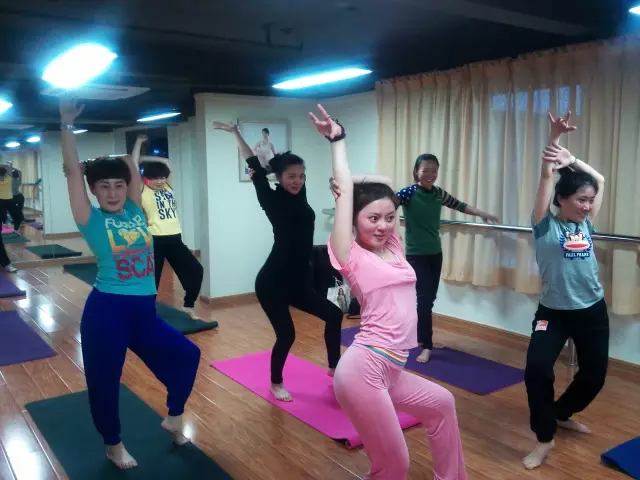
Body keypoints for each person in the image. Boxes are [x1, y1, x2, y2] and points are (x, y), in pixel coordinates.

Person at [314, 104, 467, 480]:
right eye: (372, 218)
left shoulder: (394, 247)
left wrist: (357, 184)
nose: (382, 225)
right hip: (363, 370)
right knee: (395, 465)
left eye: (389, 218)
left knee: (443, 404)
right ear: (354, 221)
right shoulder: (349, 254)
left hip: (393, 369)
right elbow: (347, 197)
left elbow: (383, 182)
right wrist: (338, 145)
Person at [59, 98, 200, 470]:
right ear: (94, 190)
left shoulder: (136, 208)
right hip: (107, 311)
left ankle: (174, 417)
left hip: (143, 312)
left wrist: (116, 158)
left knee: (188, 355)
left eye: (118, 185)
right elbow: (73, 173)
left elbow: (129, 166)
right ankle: (113, 444)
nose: (112, 192)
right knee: (105, 381)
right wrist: (66, 124)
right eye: (103, 186)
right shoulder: (90, 218)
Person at [213, 120, 343, 402]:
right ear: (279, 178)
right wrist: (236, 133)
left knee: (334, 314)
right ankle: (276, 382)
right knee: (287, 335)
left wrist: (333, 141)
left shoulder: (301, 194)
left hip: (299, 281)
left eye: (301, 176)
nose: (297, 181)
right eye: (291, 176)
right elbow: (253, 163)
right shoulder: (270, 199)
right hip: (272, 283)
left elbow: (285, 172)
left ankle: (335, 368)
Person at [523, 112, 608, 470]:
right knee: (537, 369)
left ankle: (561, 412)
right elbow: (547, 176)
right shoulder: (545, 226)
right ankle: (545, 438)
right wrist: (553, 141)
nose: (587, 206)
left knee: (594, 375)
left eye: (590, 200)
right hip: (553, 313)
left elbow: (599, 179)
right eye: (580, 200)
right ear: (561, 198)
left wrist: (573, 160)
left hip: (592, 309)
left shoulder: (586, 224)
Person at [396, 154, 499, 363]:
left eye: (434, 170)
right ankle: (427, 345)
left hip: (436, 253)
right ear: (416, 171)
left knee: (430, 299)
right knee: (424, 300)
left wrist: (483, 213)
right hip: (416, 255)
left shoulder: (438, 193)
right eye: (425, 170)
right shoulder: (408, 193)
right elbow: (388, 205)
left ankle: (421, 338)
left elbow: (459, 205)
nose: (430, 174)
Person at [133, 134, 205, 320]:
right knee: (152, 281)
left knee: (196, 270)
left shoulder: (168, 188)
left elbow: (167, 162)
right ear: (146, 179)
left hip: (175, 239)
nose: (160, 181)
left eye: (162, 177)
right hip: (155, 240)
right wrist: (139, 144)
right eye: (155, 178)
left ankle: (188, 306)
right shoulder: (143, 190)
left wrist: (147, 158)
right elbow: (133, 167)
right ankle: (146, 316)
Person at [0, 163, 23, 231]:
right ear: (5, 174)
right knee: (16, 214)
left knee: (1, 215)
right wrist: (5, 166)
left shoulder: (9, 178)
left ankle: (4, 223)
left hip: (2, 200)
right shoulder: (9, 178)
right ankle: (16, 227)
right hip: (9, 200)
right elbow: (8, 167)